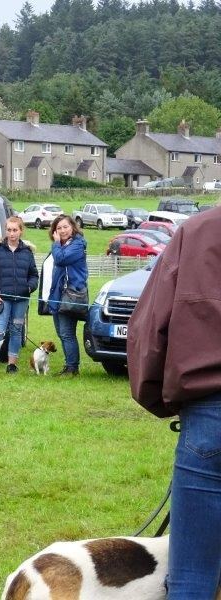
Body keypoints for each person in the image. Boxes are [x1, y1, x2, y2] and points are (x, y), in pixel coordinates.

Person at [127, 209, 221, 599]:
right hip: (206, 416)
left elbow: (148, 330)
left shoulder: (198, 231)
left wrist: (163, 399)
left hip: (208, 419)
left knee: (192, 578)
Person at [0, 216, 38, 374]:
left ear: (21, 231)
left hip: (21, 300)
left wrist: (29, 287)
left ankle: (12, 364)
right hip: (2, 299)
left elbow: (34, 275)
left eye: (15, 230)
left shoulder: (27, 252)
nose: (12, 233)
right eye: (9, 230)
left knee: (16, 330)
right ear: (5, 231)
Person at [46, 215, 87, 376]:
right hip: (58, 294)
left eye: (65, 227)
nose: (62, 231)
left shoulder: (77, 244)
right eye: (59, 228)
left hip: (71, 294)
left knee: (67, 333)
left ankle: (72, 367)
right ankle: (68, 365)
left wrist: (56, 244)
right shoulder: (62, 245)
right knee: (61, 333)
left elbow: (61, 259)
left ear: (73, 227)